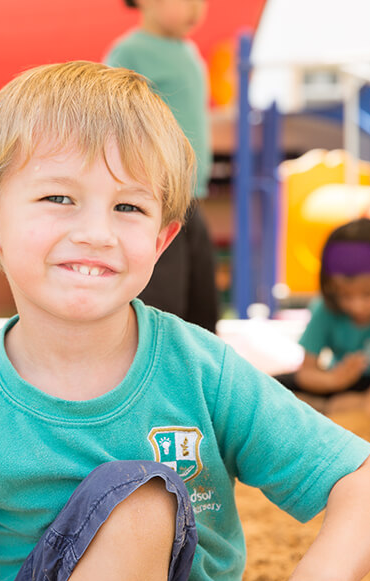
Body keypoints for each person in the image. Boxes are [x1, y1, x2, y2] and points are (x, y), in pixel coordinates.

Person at [0, 62, 370, 581]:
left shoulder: (201, 371)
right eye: (59, 198)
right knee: (141, 498)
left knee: (144, 498)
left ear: (162, 239)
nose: (96, 233)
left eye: (128, 206)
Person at [104, 0, 219, 332]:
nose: (195, 9)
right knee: (162, 300)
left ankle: (200, 373)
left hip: (192, 198)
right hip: (157, 197)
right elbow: (112, 118)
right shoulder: (130, 52)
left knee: (202, 301)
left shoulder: (189, 52)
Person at [275, 218, 370, 422]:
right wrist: (332, 381)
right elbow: (306, 372)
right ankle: (331, 404)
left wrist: (339, 406)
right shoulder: (325, 308)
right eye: (345, 295)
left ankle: (328, 405)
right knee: (272, 387)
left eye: (368, 294)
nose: (356, 306)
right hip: (344, 382)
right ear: (331, 288)